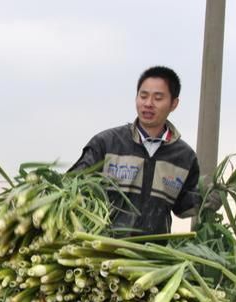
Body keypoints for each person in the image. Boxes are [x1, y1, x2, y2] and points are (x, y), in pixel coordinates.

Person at [69, 66, 220, 236]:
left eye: (158, 98)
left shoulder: (184, 157)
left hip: (151, 256)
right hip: (101, 252)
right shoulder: (107, 143)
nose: (148, 104)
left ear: (174, 104)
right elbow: (73, 185)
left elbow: (181, 206)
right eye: (143, 96)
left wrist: (205, 199)